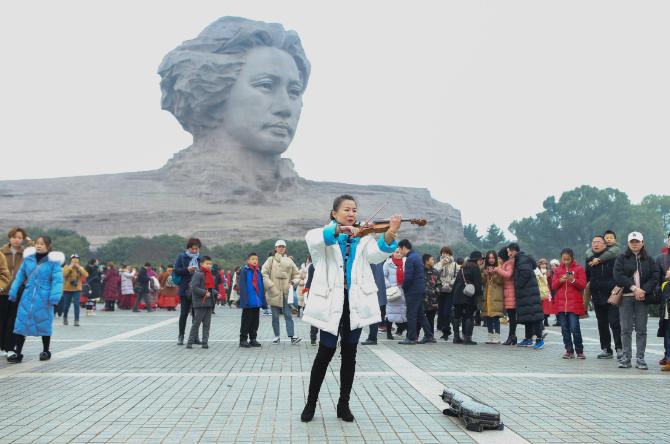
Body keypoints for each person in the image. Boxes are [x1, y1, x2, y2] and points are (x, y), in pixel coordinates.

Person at [300, 195, 400, 423]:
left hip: (354, 303)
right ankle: (311, 402)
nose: (352, 214)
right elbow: (312, 239)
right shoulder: (323, 237)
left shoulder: (363, 238)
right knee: (324, 353)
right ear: (334, 213)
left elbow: (376, 257)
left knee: (350, 355)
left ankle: (343, 404)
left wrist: (391, 232)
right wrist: (338, 230)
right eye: (346, 209)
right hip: (330, 303)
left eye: (354, 210)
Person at [7, 236, 64, 363]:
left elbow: (58, 281)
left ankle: (45, 350)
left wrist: (54, 297)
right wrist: (13, 291)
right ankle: (18, 353)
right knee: (21, 323)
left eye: (42, 244)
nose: (39, 246)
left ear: (48, 246)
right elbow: (20, 276)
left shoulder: (53, 262)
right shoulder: (28, 259)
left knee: (44, 322)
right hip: (27, 295)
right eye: (37, 243)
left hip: (44, 297)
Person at [613, 232, 660, 370]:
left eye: (637, 241)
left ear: (642, 242)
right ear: (628, 243)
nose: (635, 244)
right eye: (632, 241)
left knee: (641, 330)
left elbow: (655, 276)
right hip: (626, 297)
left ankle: (640, 358)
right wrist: (634, 288)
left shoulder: (649, 259)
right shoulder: (621, 258)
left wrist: (643, 290)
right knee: (626, 329)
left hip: (642, 298)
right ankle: (626, 358)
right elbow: (618, 275)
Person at [586, 235, 622, 360]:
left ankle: (619, 348)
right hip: (597, 296)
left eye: (598, 242)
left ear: (605, 244)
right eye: (593, 242)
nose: (595, 244)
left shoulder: (612, 258)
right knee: (602, 324)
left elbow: (619, 274)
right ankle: (606, 349)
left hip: (612, 296)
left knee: (614, 322)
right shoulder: (589, 259)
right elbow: (587, 277)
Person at [261, 240, 302, 344]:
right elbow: (264, 273)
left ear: (285, 248)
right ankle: (276, 336)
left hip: (286, 291)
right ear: (275, 248)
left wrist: (293, 282)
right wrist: (270, 285)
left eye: (283, 247)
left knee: (288, 314)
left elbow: (297, 275)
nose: (281, 248)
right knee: (275, 316)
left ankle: (292, 336)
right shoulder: (270, 260)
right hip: (274, 291)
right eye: (279, 247)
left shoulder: (289, 260)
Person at [508, 243, 545, 350]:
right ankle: (528, 338)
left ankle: (539, 339)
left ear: (514, 251)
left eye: (509, 251)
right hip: (526, 294)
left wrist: (518, 285)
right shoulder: (521, 259)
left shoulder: (522, 259)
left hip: (529, 293)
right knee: (528, 317)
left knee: (535, 317)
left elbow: (526, 274)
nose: (508, 253)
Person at [551, 248, 587, 359]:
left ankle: (579, 351)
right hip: (561, 305)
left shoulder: (579, 268)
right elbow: (553, 286)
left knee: (575, 328)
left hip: (574, 304)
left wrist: (572, 280)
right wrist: (560, 280)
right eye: (563, 259)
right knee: (564, 329)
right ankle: (569, 350)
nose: (565, 261)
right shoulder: (557, 270)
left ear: (572, 258)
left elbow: (583, 285)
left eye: (568, 259)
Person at [398, 239, 432, 345]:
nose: (399, 251)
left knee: (411, 314)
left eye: (400, 249)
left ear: (404, 247)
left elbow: (408, 277)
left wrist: (404, 287)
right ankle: (429, 335)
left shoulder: (410, 259)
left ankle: (411, 338)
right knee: (420, 314)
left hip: (413, 291)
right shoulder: (416, 256)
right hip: (419, 289)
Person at [0, 227, 25, 357]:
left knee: (13, 320)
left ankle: (10, 347)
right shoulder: (2, 252)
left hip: (18, 292)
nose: (17, 240)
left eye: (20, 237)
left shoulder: (26, 254)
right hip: (2, 291)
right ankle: (2, 346)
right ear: (9, 237)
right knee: (2, 319)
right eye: (14, 237)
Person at [174, 238, 202, 345]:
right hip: (185, 289)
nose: (195, 251)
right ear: (189, 248)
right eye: (193, 248)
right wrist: (187, 270)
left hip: (197, 289)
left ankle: (195, 337)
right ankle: (181, 336)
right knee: (184, 313)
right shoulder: (182, 257)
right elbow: (176, 270)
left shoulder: (200, 259)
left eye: (197, 248)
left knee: (196, 315)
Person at [452, 251, 483, 345]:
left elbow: (456, 282)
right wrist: (479, 296)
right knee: (468, 316)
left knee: (457, 316)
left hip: (457, 295)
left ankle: (456, 337)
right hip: (468, 296)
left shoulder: (462, 268)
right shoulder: (475, 268)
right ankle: (467, 338)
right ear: (477, 259)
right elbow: (478, 285)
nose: (481, 262)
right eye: (481, 259)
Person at [186, 256, 217, 349]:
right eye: (207, 264)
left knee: (207, 324)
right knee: (196, 324)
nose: (209, 266)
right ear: (201, 264)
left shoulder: (209, 275)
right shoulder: (198, 274)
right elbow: (194, 287)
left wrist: (216, 293)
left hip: (209, 303)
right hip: (199, 303)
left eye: (210, 264)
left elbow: (210, 288)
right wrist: (204, 293)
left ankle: (205, 342)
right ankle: (190, 342)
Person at [238, 253, 267, 348]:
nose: (255, 261)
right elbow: (242, 286)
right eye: (252, 259)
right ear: (248, 260)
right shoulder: (244, 271)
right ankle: (243, 339)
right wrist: (244, 300)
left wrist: (262, 300)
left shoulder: (258, 271)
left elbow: (261, 287)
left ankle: (253, 339)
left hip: (256, 301)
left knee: (255, 322)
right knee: (246, 321)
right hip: (248, 301)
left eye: (256, 259)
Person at [434, 246, 458, 341]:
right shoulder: (438, 264)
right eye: (443, 253)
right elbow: (434, 273)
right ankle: (445, 330)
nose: (444, 255)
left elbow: (457, 276)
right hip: (441, 291)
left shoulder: (455, 265)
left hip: (450, 291)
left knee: (447, 312)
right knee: (440, 312)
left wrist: (451, 283)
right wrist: (441, 264)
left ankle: (446, 331)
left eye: (447, 253)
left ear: (450, 254)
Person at [361, 262, 388, 345]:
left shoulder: (371, 261)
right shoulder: (377, 260)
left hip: (373, 291)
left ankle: (372, 338)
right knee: (375, 315)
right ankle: (372, 337)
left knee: (373, 315)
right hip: (377, 290)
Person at [383, 248, 407, 339]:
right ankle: (389, 333)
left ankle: (401, 330)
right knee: (390, 312)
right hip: (392, 292)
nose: (399, 254)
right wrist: (389, 286)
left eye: (401, 252)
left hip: (403, 291)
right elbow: (384, 276)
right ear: (393, 252)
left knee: (404, 311)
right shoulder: (388, 263)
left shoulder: (406, 263)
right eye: (397, 252)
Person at [482, 251, 504, 344]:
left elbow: (501, 281)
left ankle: (497, 337)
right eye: (489, 258)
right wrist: (485, 274)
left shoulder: (499, 268)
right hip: (487, 295)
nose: (491, 260)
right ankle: (490, 337)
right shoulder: (484, 268)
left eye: (493, 258)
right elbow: (482, 282)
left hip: (496, 296)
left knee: (495, 317)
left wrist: (494, 274)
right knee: (488, 317)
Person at [496, 248, 517, 345]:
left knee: (512, 317)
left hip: (511, 293)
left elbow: (508, 275)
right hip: (508, 293)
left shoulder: (509, 264)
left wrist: (498, 269)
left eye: (499, 258)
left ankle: (511, 336)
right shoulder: (506, 264)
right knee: (511, 317)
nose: (498, 260)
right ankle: (512, 336)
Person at [62, 254, 89, 326]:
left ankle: (76, 320)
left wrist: (79, 267)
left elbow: (86, 275)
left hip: (77, 289)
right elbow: (64, 274)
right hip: (67, 289)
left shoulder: (80, 268)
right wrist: (70, 267)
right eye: (73, 260)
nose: (75, 261)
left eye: (76, 260)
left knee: (76, 305)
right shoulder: (66, 267)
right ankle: (65, 318)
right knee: (66, 305)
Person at [656, 232, 670, 366]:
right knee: (667, 328)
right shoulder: (661, 259)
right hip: (667, 299)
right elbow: (655, 280)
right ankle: (668, 356)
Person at [422, 254, 441, 335]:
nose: (433, 261)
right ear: (426, 261)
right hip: (421, 300)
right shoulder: (419, 271)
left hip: (432, 301)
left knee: (431, 319)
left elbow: (439, 284)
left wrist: (435, 291)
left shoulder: (435, 272)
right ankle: (415, 336)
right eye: (432, 259)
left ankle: (430, 336)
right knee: (420, 319)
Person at [536, 258, 554, 327]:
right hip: (540, 289)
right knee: (540, 305)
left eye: (545, 264)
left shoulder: (548, 272)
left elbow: (550, 282)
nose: (544, 265)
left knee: (547, 306)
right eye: (542, 264)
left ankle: (546, 320)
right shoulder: (537, 272)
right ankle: (540, 321)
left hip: (547, 289)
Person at [658, 269, 670, 371]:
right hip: (665, 316)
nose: (667, 271)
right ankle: (667, 358)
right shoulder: (665, 284)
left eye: (669, 270)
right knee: (667, 338)